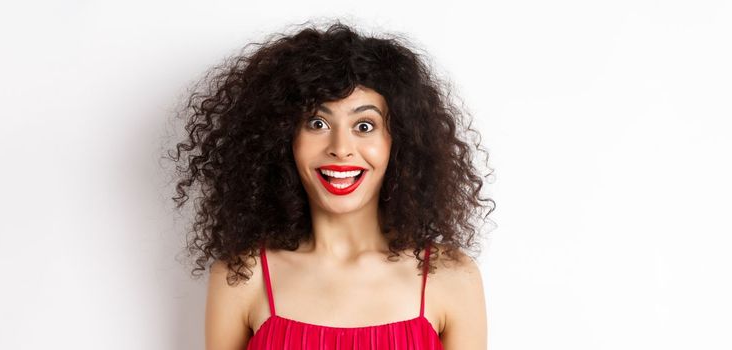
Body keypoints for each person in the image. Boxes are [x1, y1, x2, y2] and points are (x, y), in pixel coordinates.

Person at [167, 20, 495, 349]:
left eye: (364, 126)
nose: (340, 147)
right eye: (317, 122)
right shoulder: (241, 277)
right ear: (284, 138)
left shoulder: (450, 278)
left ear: (399, 142)